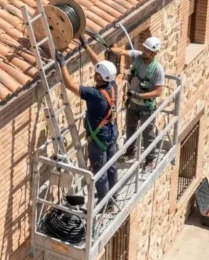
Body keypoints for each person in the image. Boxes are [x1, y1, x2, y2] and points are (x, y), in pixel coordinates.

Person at [60, 37, 118, 210]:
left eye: (97, 74)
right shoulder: (112, 85)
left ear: (101, 77)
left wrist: (61, 63)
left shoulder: (95, 94)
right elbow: (99, 64)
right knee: (112, 167)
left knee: (99, 173)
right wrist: (86, 47)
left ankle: (105, 203)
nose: (95, 74)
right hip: (111, 134)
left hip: (98, 140)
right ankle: (113, 198)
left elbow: (69, 85)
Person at [110, 37, 165, 170]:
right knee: (130, 129)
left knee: (148, 133)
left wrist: (141, 95)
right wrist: (111, 49)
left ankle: (150, 159)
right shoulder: (137, 57)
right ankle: (130, 152)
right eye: (144, 49)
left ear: (154, 53)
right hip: (133, 103)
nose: (144, 51)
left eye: (148, 50)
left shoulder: (157, 69)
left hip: (147, 107)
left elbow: (159, 92)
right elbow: (123, 52)